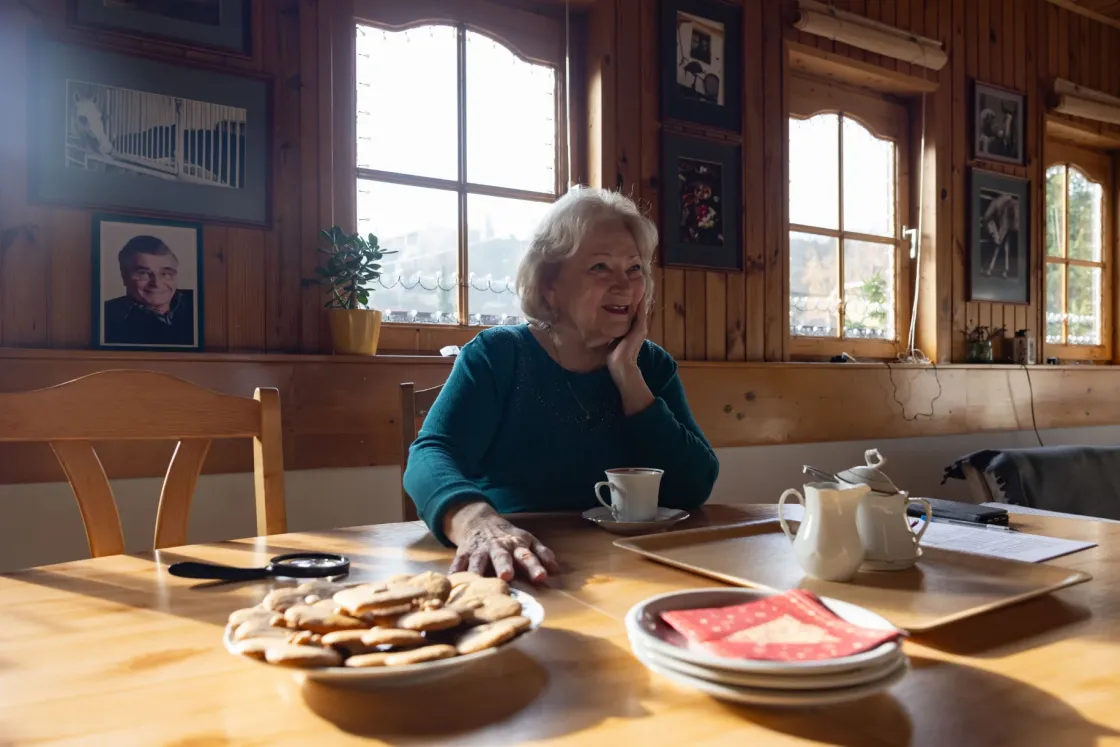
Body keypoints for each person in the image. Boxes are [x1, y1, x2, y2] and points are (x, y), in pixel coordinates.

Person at [403, 187, 720, 584]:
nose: (624, 285)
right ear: (550, 283)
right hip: (516, 565)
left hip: (631, 569)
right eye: (600, 267)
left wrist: (627, 374)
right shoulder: (499, 355)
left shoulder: (650, 365)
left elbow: (694, 486)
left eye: (634, 268)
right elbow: (431, 454)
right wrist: (477, 521)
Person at [104, 235, 195, 346]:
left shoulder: (200, 305)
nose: (156, 283)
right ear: (124, 276)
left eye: (165, 273)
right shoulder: (105, 317)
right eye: (144, 273)